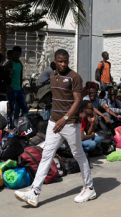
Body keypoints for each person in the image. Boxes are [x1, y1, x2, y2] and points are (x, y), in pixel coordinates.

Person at [14, 49, 94, 207]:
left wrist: (65, 118)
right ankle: (34, 192)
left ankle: (89, 187)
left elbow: (77, 101)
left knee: (78, 154)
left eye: (66, 61)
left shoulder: (74, 77)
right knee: (46, 155)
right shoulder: (52, 76)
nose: (63, 64)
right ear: (55, 62)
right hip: (54, 123)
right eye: (60, 61)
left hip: (69, 123)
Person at [7, 46, 29, 124]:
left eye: (18, 54)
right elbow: (4, 76)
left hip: (19, 90)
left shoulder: (20, 63)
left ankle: (19, 124)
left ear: (20, 55)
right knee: (10, 110)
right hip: (11, 90)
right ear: (12, 54)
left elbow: (19, 77)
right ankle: (10, 126)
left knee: (25, 108)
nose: (16, 56)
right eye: (15, 54)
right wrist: (8, 87)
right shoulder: (9, 64)